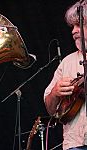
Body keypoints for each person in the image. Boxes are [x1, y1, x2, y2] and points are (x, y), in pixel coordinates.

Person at [44, 1, 87, 150]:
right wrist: (55, 92)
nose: (74, 31)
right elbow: (50, 109)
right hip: (75, 144)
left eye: (79, 25)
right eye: (72, 26)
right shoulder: (67, 62)